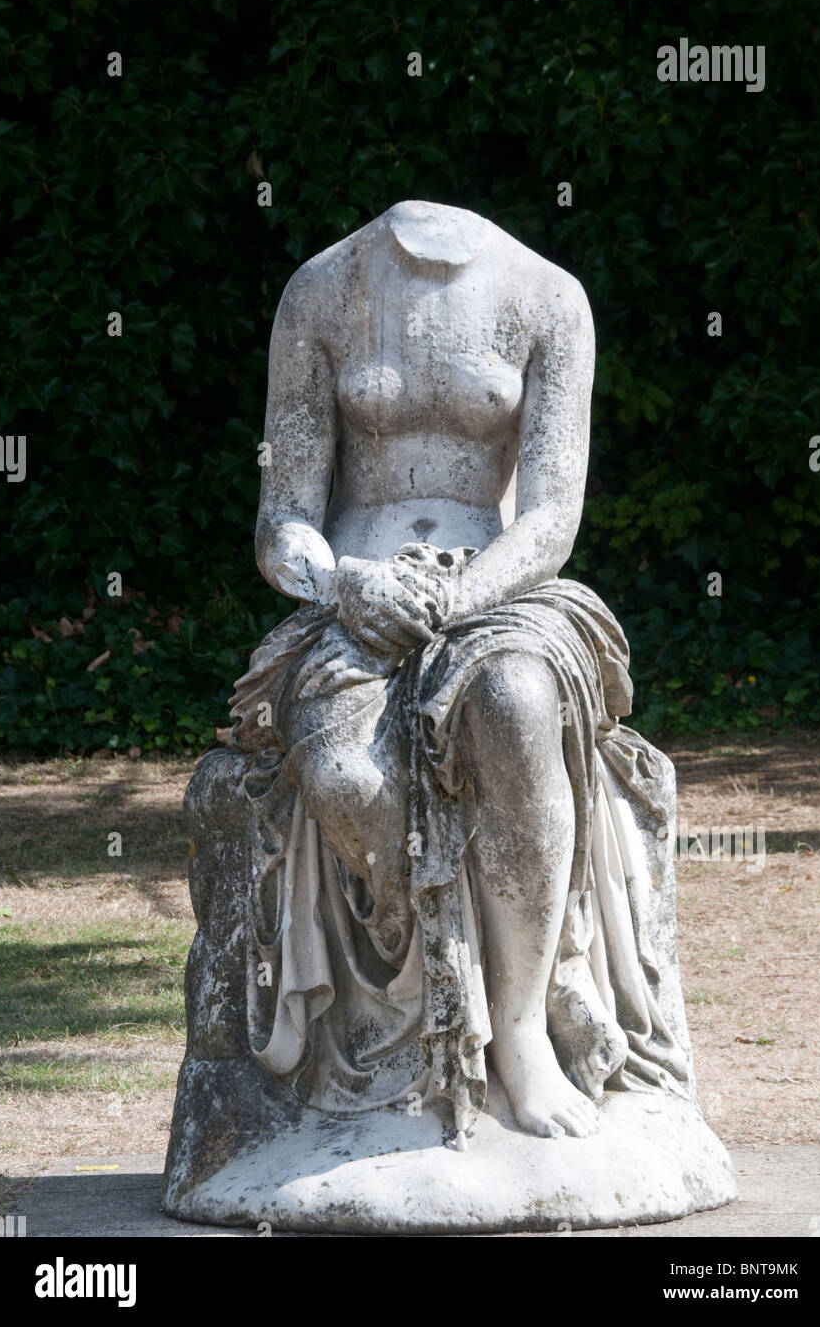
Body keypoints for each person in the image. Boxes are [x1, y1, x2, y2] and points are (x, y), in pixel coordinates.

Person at [229, 201, 688, 1144]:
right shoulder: (322, 290)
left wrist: (462, 595)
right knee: (348, 779)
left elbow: (551, 518)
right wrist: (343, 583)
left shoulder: (544, 297)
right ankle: (419, 993)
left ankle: (518, 1030)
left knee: (518, 702)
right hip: (355, 595)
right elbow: (281, 520)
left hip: (504, 591)